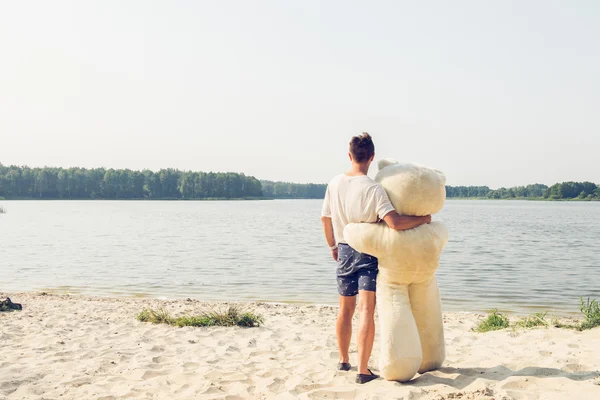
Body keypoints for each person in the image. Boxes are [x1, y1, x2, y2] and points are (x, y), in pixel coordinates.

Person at [320, 133, 431, 384]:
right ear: (372, 157)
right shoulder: (373, 188)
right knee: (366, 310)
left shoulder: (334, 183)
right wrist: (423, 219)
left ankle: (343, 360)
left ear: (349, 156)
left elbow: (325, 219)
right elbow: (395, 223)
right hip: (368, 252)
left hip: (345, 250)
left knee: (345, 309)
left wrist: (332, 247)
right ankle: (362, 370)